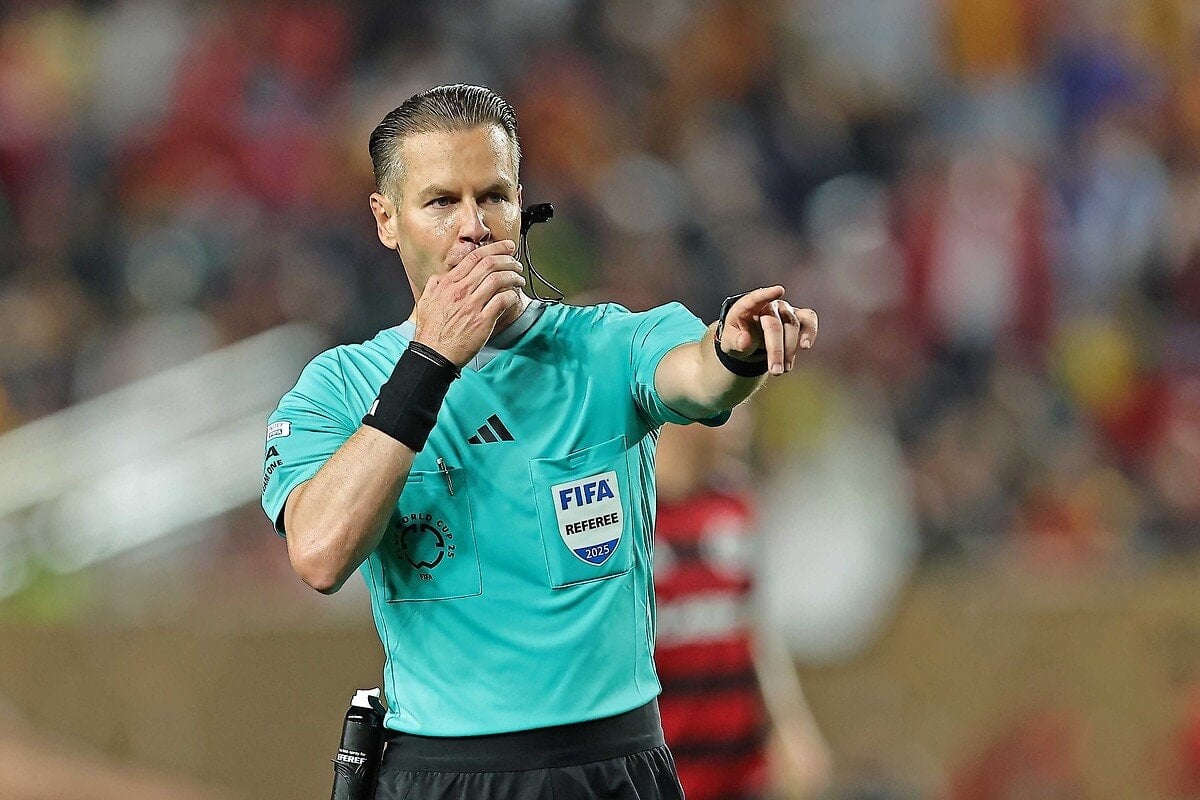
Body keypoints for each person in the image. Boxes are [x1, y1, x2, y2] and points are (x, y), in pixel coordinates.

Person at [260, 83, 818, 800]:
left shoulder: (606, 345)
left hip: (612, 766)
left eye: (493, 196)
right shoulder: (338, 386)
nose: (474, 226)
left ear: (520, 204)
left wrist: (739, 350)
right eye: (441, 202)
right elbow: (320, 553)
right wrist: (432, 361)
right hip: (443, 775)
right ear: (387, 219)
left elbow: (700, 375)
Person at [653, 418, 832, 800]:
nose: (744, 425)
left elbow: (755, 628)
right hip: (661, 773)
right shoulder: (627, 515)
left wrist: (789, 724)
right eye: (732, 408)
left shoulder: (735, 503)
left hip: (740, 774)